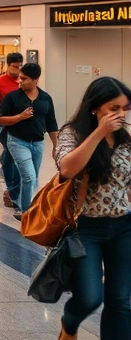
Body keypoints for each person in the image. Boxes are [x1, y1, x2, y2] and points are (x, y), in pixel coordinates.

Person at [52, 76, 131, 340]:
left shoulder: (126, 140)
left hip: (124, 227)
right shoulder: (72, 133)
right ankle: (69, 324)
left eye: (125, 108)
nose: (120, 115)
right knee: (89, 298)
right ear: (94, 108)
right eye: (113, 109)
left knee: (120, 301)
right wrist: (99, 132)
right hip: (85, 229)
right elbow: (67, 169)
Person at [0, 63, 58, 220]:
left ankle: (15, 197)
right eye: (19, 78)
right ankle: (25, 213)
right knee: (29, 177)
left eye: (23, 79)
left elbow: (51, 123)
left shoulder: (45, 98)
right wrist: (19, 117)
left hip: (37, 142)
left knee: (32, 178)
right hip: (17, 141)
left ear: (35, 80)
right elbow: (0, 120)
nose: (19, 81)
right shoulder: (12, 98)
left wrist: (56, 146)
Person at [0, 52, 24, 210]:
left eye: (20, 66)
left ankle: (13, 189)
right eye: (15, 67)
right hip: (4, 125)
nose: (18, 69)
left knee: (14, 156)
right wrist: (2, 114)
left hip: (22, 124)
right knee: (12, 154)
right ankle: (13, 191)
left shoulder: (24, 80)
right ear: (7, 65)